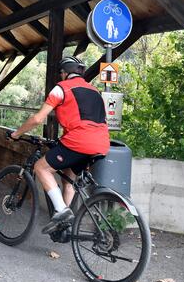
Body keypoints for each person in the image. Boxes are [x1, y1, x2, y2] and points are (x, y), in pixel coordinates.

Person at [7, 56, 110, 234]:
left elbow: (38, 119)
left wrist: (16, 134)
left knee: (41, 168)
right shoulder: (95, 91)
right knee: (68, 180)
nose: (61, 75)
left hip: (78, 141)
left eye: (61, 72)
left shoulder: (60, 88)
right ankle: (63, 225)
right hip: (101, 143)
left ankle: (62, 212)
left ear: (65, 72)